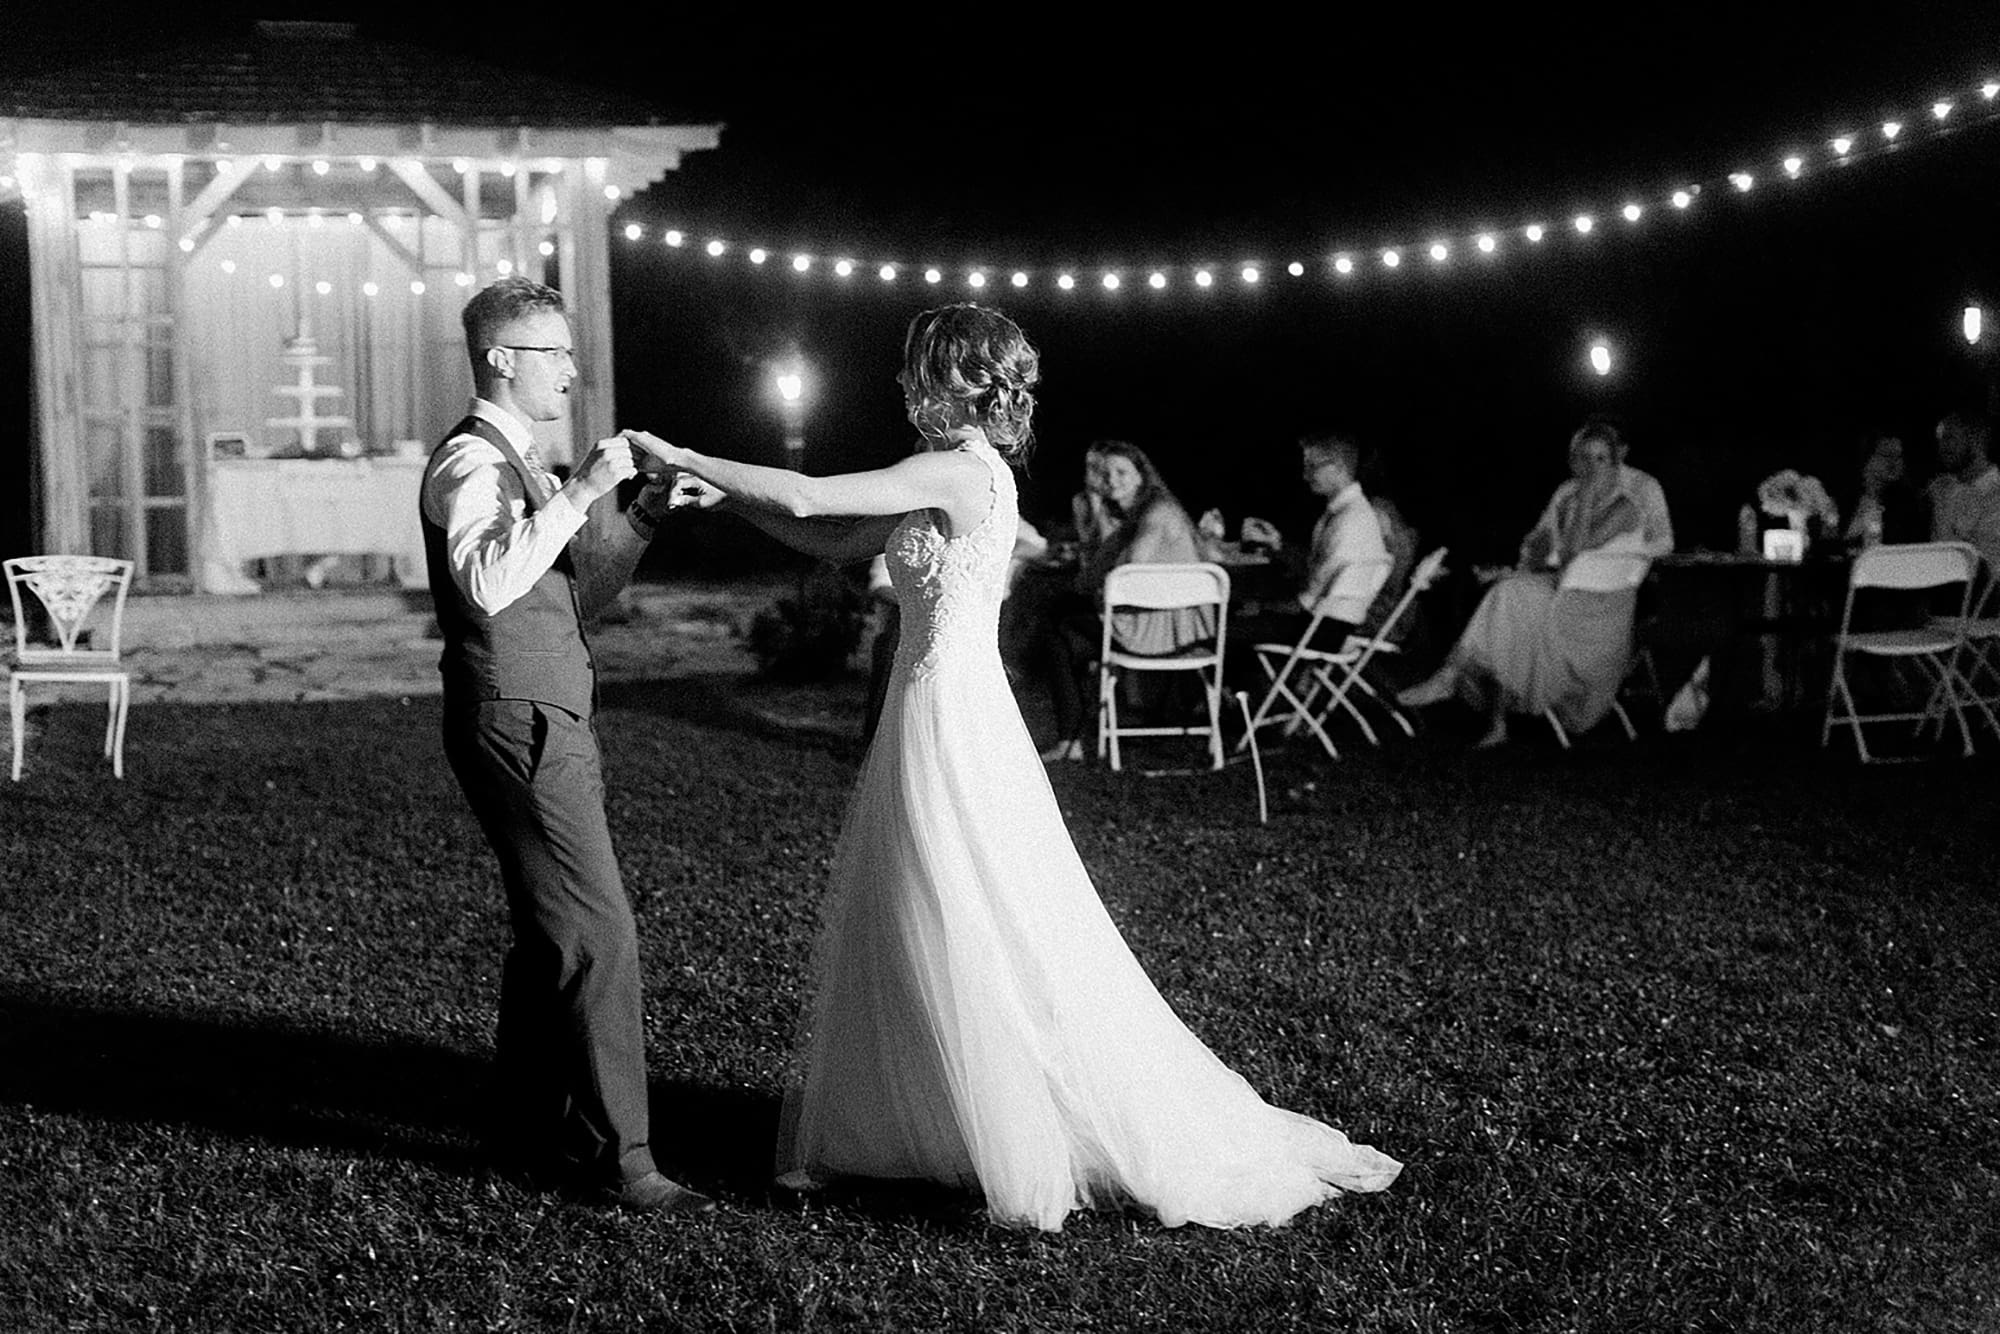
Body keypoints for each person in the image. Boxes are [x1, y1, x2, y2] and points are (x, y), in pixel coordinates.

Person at [624, 304, 1400, 1231]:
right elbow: (828, 534)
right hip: (930, 704)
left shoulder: (957, 470)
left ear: (953, 378)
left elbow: (806, 494)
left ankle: (1017, 1131)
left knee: (971, 910)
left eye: (917, 368)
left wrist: (687, 458)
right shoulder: (941, 473)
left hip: (955, 714)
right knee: (915, 907)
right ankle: (924, 1121)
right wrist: (733, 500)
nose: (902, 385)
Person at [419, 277, 713, 1215]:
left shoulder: (524, 466)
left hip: (546, 709)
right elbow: (491, 586)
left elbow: (575, 594)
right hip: (521, 717)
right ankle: (621, 1160)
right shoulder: (471, 465)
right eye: (555, 354)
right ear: (501, 359)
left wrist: (643, 508)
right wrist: (583, 485)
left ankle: (524, 1127)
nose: (573, 372)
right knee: (599, 931)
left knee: (553, 934)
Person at [1397, 418, 1656, 747]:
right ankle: (1493, 720)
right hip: (1561, 594)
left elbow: (1575, 550)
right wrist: (1518, 567)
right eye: (1584, 458)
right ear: (1573, 460)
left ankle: (1453, 676)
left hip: (1595, 617)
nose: (1591, 466)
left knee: (1509, 599)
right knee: (1510, 607)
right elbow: (1545, 547)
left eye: (1601, 458)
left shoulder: (1625, 508)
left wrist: (1586, 498)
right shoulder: (1567, 496)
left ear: (1615, 463)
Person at [1039, 439, 1214, 764]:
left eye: (1121, 471)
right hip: (1164, 627)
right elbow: (1090, 579)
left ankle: (1071, 739)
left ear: (1141, 476)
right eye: (1104, 473)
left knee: (1057, 631)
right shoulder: (1139, 514)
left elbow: (1123, 574)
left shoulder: (1158, 512)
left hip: (1163, 633)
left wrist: (1102, 568)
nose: (1111, 480)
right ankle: (1079, 733)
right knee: (1063, 622)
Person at [1928, 409, 2000, 580]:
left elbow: (1986, 563)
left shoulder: (1994, 491)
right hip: (1946, 590)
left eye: (1950, 438)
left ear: (1977, 440)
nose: (1942, 447)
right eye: (1940, 439)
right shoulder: (1944, 489)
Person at [1842, 434, 1928, 550]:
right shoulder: (1847, 497)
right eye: (1886, 455)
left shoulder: (1909, 502)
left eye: (1898, 456)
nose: (1893, 462)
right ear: (1869, 458)